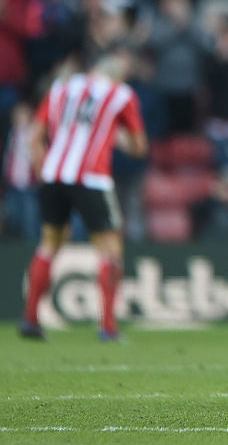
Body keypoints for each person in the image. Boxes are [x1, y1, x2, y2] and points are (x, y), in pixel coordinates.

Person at [18, 46, 148, 341]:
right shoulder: (121, 94)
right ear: (118, 73)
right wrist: (117, 137)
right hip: (91, 178)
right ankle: (109, 327)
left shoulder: (61, 87)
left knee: (49, 244)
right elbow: (140, 147)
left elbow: (34, 137)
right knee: (111, 251)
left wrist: (43, 171)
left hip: (53, 177)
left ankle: (30, 321)